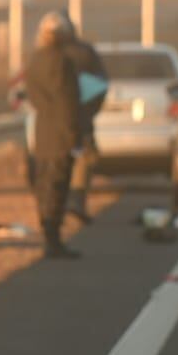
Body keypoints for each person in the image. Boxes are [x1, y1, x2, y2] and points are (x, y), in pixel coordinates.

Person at [22, 11, 85, 259]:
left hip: (42, 133)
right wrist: (74, 137)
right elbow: (68, 101)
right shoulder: (64, 62)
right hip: (61, 135)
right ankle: (53, 239)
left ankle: (48, 234)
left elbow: (34, 96)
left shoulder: (34, 60)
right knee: (58, 188)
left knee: (44, 186)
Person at [61, 18, 108, 225]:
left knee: (60, 164)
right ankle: (76, 201)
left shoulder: (50, 54)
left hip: (57, 123)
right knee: (85, 160)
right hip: (81, 119)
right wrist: (90, 110)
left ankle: (64, 206)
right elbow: (101, 84)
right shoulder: (86, 53)